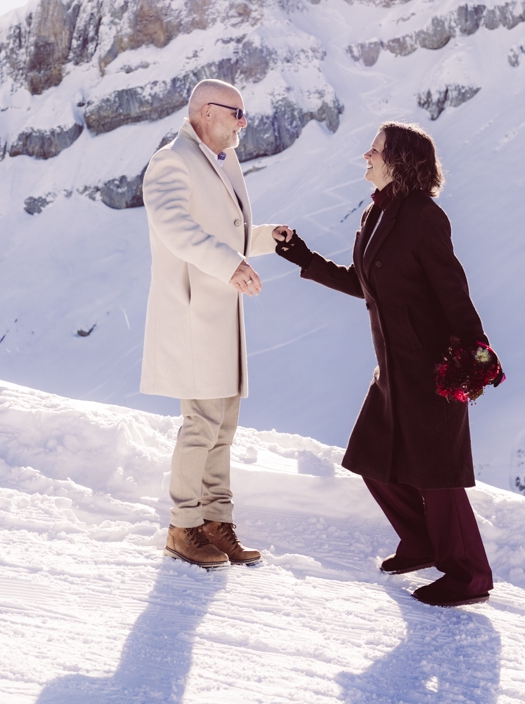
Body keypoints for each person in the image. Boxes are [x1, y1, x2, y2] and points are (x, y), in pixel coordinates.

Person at [272, 122, 496, 606]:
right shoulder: (377, 215)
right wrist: (302, 257)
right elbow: (365, 283)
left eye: (373, 150)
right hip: (394, 370)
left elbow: (452, 289)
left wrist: (475, 352)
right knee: (373, 460)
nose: (365, 156)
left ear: (399, 160)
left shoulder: (423, 217)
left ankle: (470, 575)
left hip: (433, 369)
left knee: (438, 476)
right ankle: (420, 543)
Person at [141, 78, 281, 568]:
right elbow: (176, 227)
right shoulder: (170, 161)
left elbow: (229, 231)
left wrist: (266, 237)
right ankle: (183, 527)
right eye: (235, 113)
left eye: (245, 115)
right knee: (199, 425)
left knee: (223, 426)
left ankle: (216, 522)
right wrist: (230, 264)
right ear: (204, 112)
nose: (243, 123)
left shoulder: (221, 161)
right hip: (194, 313)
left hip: (220, 312)